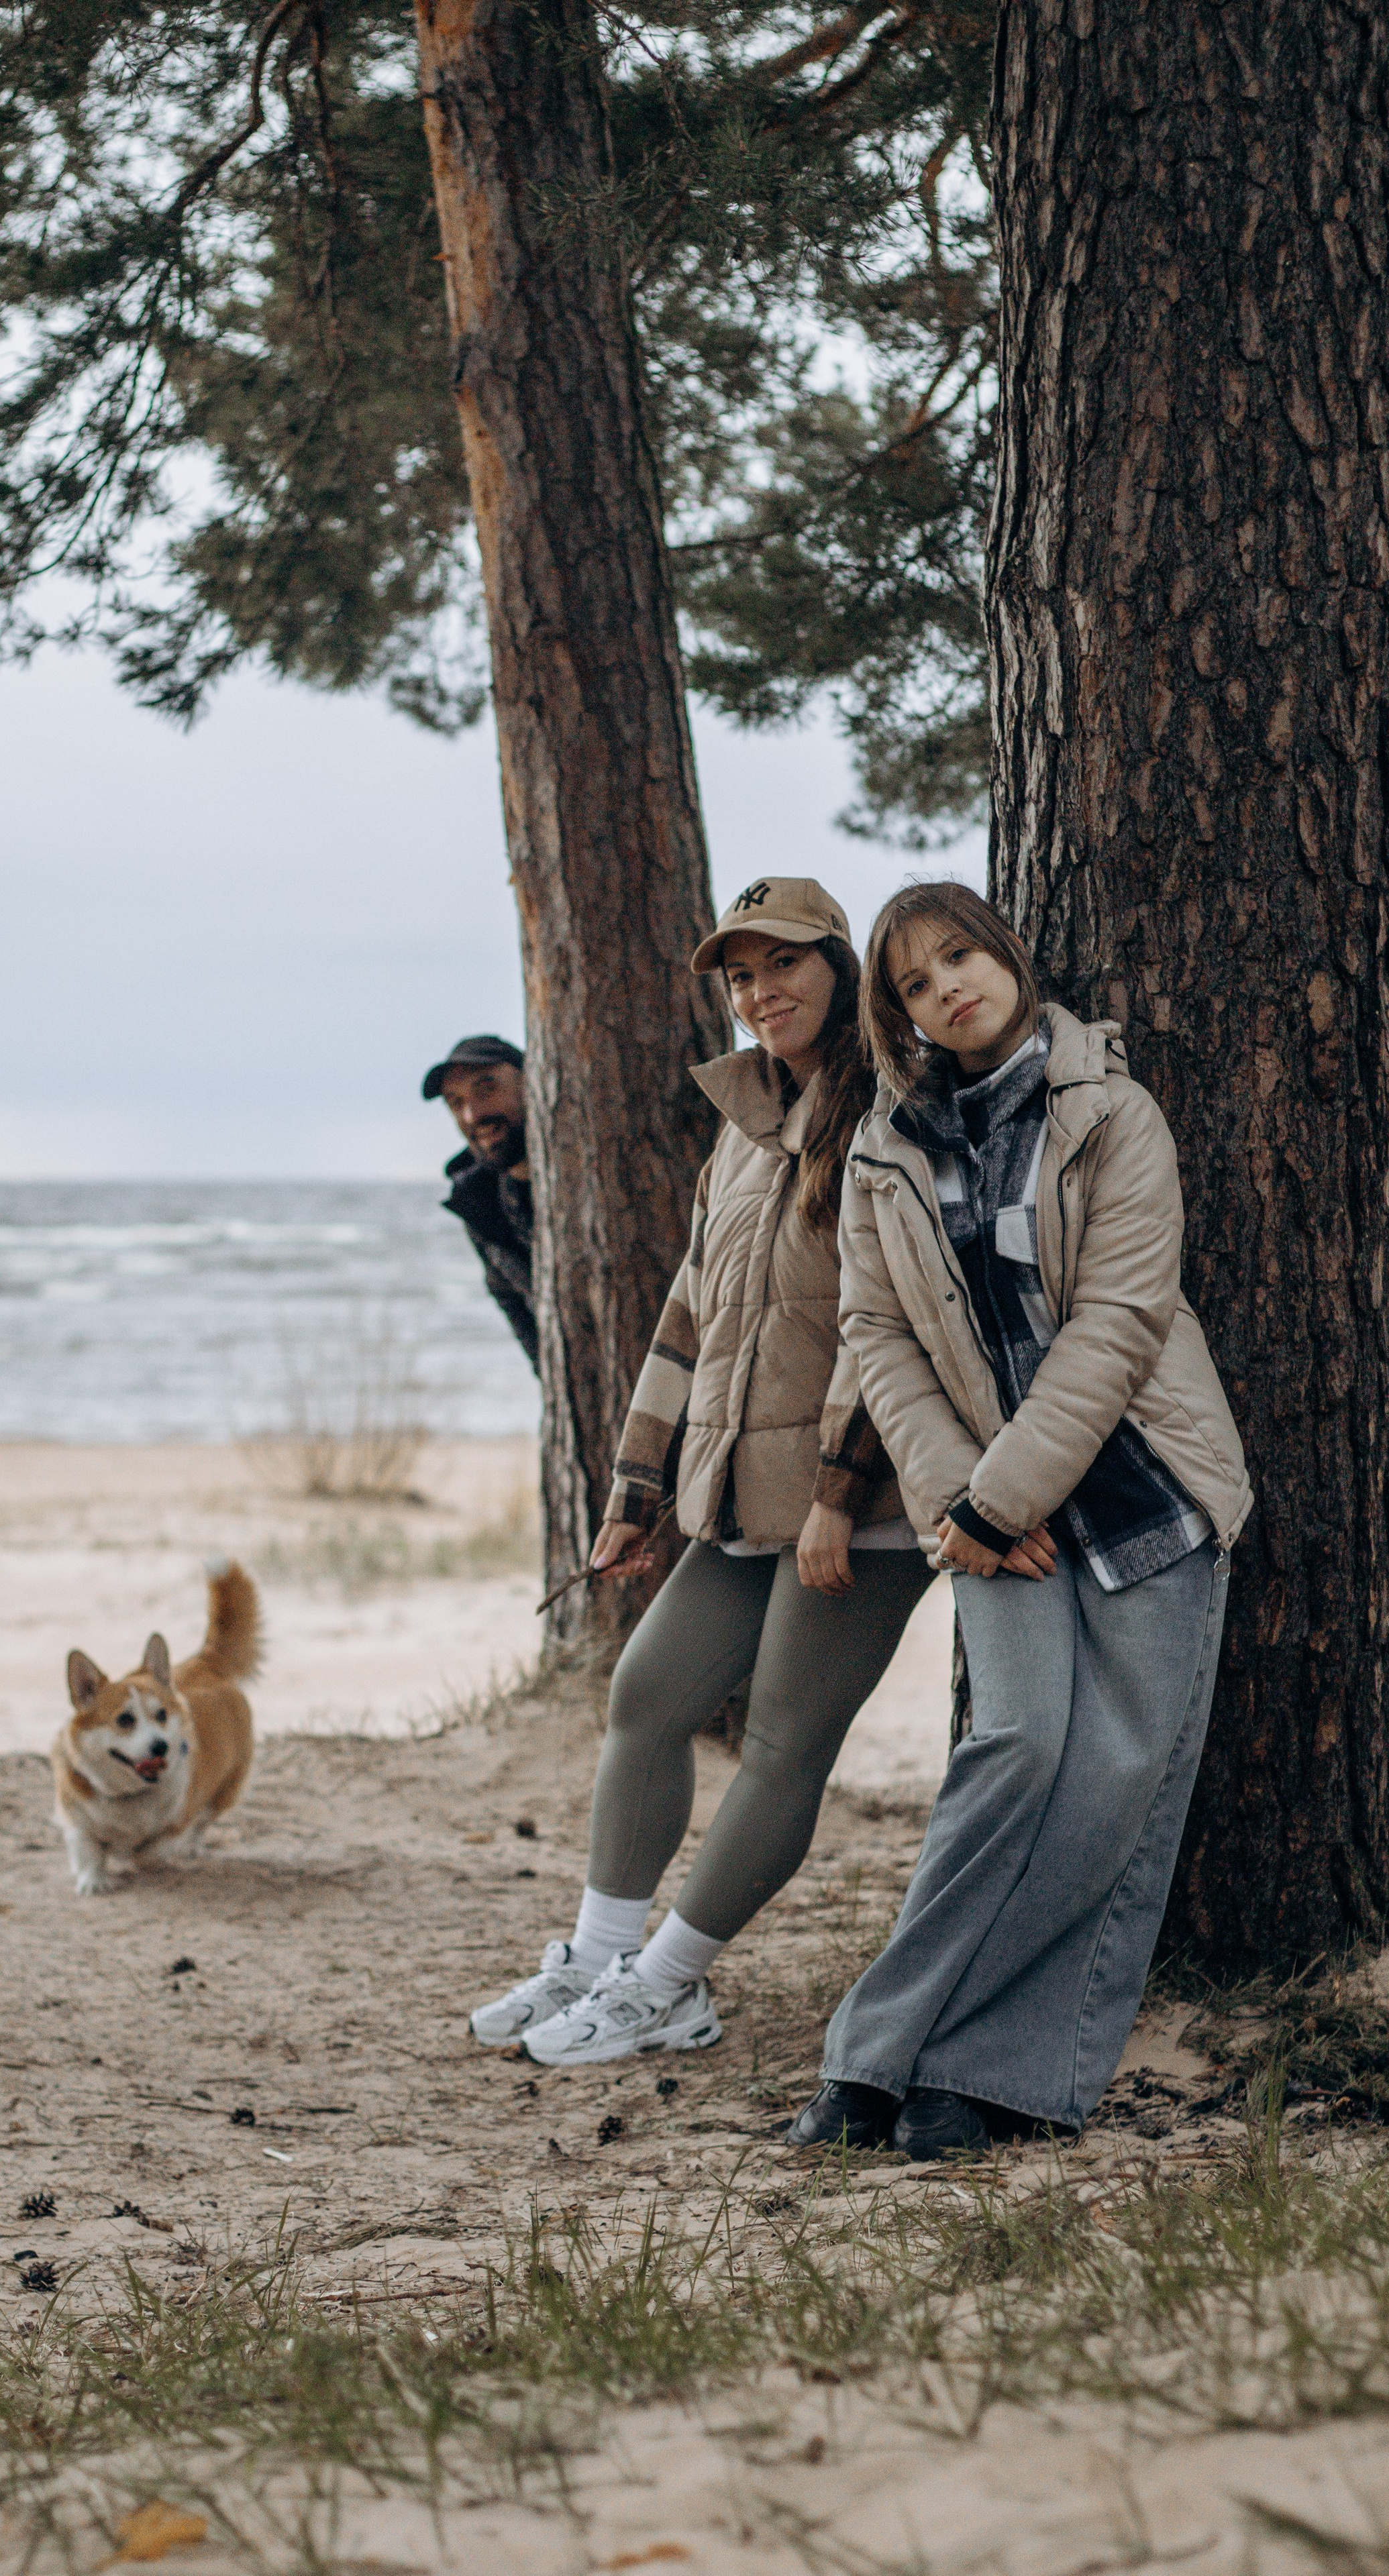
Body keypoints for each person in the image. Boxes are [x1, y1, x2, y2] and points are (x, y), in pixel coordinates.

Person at [788, 881, 1251, 2161]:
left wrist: (1000, 1498)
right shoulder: (884, 1151)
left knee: (1113, 1782)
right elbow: (877, 1336)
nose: (950, 988)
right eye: (918, 985)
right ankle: (874, 2052)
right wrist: (961, 1500)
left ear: (1006, 953)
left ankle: (995, 2073)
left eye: (961, 957)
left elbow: (1119, 1323)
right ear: (904, 1020)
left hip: (1143, 1487)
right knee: (1018, 1752)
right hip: (986, 1508)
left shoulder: (1112, 1113)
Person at [469, 878, 935, 2067]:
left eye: (782, 964)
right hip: (736, 1488)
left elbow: (905, 1317)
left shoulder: (897, 1106)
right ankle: (596, 1955)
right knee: (647, 1697)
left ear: (840, 965)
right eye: (739, 977)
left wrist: (839, 1494)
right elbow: (693, 1315)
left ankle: (672, 1983)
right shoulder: (741, 1124)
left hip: (863, 1498)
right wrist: (639, 1493)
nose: (760, 992)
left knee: (783, 1743)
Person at [423, 1034, 537, 1371]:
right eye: (456, 1103)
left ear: (534, 1080)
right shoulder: (478, 1203)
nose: (472, 1115)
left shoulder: (593, 1168)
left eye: (487, 1089)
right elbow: (514, 1306)